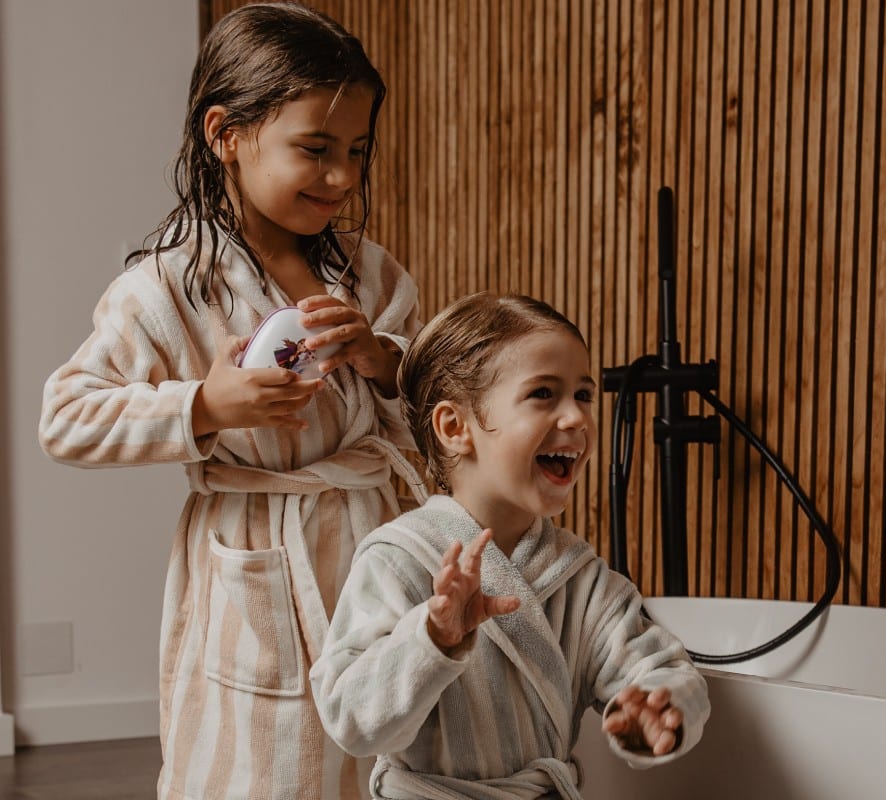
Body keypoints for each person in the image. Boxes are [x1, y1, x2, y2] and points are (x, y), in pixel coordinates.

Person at [38, 4, 425, 798]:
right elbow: (66, 418)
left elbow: (436, 399)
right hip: (259, 562)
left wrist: (380, 358)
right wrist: (203, 407)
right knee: (263, 761)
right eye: (315, 150)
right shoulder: (167, 287)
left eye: (356, 151)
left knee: (387, 747)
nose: (343, 177)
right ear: (226, 134)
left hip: (377, 544)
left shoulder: (370, 273)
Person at [310, 292, 711, 800]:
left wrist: (660, 704)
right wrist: (432, 639)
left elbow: (662, 668)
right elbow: (351, 721)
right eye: (544, 393)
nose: (576, 419)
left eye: (583, 395)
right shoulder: (398, 558)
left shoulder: (580, 577)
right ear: (456, 428)